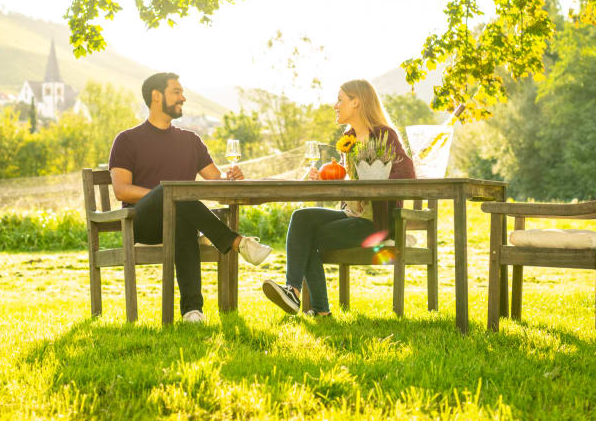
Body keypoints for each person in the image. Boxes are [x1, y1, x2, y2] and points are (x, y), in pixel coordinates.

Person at [109, 72, 271, 323]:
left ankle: (192, 312)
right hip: (142, 223)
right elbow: (122, 190)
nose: (183, 97)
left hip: (180, 221)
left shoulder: (190, 140)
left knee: (180, 213)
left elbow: (214, 182)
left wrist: (230, 180)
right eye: (176, 92)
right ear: (156, 96)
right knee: (173, 191)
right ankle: (238, 243)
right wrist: (166, 195)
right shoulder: (127, 139)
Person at [261, 79, 415, 317]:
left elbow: (407, 175)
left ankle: (306, 301)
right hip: (351, 215)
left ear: (357, 102)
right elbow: (349, 184)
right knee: (301, 218)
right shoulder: (348, 140)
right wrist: (326, 181)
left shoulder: (384, 136)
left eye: (340, 99)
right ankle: (299, 296)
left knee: (307, 237)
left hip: (376, 224)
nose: (335, 105)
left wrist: (372, 183)